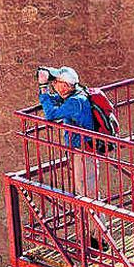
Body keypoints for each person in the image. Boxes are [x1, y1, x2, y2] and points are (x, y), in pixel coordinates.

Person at [37, 65, 100, 200]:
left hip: (83, 151)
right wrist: (45, 91)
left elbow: (51, 114)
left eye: (56, 82)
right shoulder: (76, 93)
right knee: (84, 190)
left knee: (86, 192)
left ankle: (94, 220)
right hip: (82, 149)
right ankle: (89, 219)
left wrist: (43, 87)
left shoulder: (75, 102)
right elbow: (52, 100)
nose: (53, 84)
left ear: (65, 86)